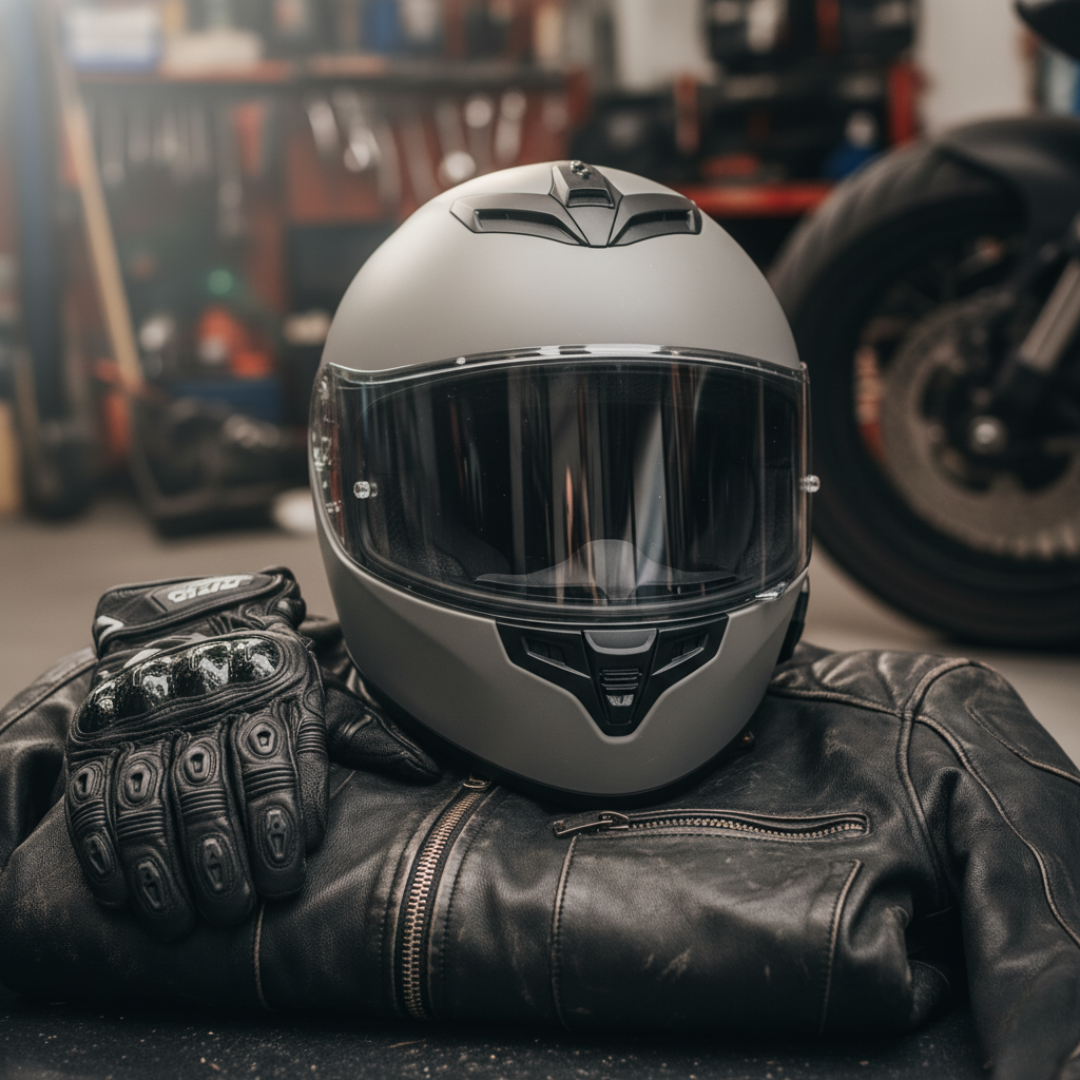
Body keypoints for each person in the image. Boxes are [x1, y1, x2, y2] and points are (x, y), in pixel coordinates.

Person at [0, 165, 1078, 1080]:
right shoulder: (157, 720)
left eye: (673, 509)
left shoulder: (925, 744)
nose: (607, 578)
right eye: (515, 512)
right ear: (346, 483)